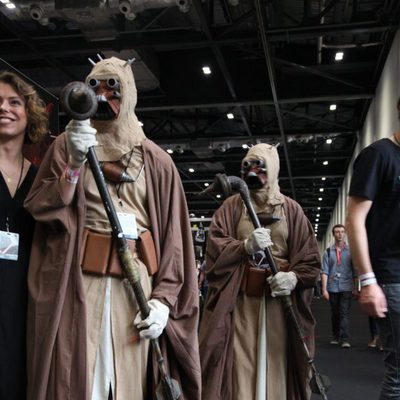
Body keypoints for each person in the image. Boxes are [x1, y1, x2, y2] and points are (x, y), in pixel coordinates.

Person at [24, 57, 201, 400]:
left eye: (112, 87)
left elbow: (176, 243)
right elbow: (41, 207)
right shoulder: (66, 145)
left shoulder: (156, 161)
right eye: (95, 86)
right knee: (78, 374)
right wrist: (73, 166)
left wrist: (164, 301)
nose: (103, 96)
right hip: (79, 284)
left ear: (129, 93)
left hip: (135, 289)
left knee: (127, 383)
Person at [199, 143, 321, 400]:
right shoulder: (232, 208)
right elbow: (215, 250)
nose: (253, 171)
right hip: (242, 304)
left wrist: (293, 277)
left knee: (277, 362)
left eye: (259, 165)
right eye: (247, 166)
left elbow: (310, 260)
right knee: (240, 364)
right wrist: (243, 246)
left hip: (279, 306)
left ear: (274, 169)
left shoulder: (292, 211)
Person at [0, 71, 48, 400]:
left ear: (28, 112)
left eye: (14, 102)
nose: (4, 108)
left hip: (25, 296)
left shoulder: (40, 178)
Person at [347, 107, 400, 399]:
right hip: (391, 276)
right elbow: (354, 220)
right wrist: (367, 281)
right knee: (399, 372)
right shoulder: (378, 155)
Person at [321, 224, 356, 348]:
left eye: (342, 231)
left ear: (344, 233)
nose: (340, 234)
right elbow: (324, 271)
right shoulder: (328, 252)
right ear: (333, 234)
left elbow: (355, 271)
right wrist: (324, 289)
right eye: (337, 232)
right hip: (332, 287)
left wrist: (356, 288)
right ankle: (335, 336)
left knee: (344, 312)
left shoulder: (350, 252)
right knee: (335, 313)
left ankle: (345, 339)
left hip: (347, 286)